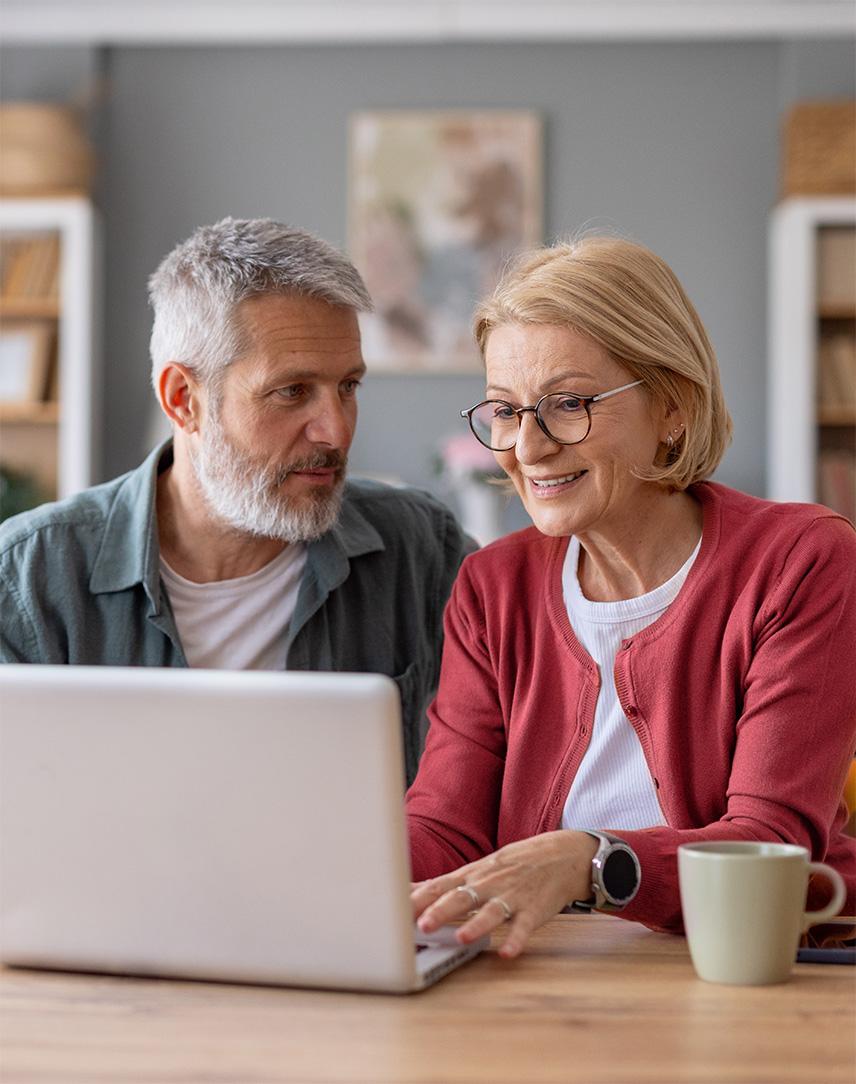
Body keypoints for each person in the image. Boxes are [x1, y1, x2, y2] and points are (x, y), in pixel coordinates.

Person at [407, 235, 856, 955]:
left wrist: (588, 860)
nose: (528, 447)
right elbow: (444, 828)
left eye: (568, 403)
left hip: (752, 969)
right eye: (506, 410)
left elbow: (772, 844)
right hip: (541, 979)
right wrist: (329, 879)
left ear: (673, 406)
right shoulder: (492, 588)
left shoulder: (801, 561)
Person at [0, 217, 473, 783]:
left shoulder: (422, 550)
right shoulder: (27, 581)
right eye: (292, 392)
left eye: (348, 387)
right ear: (184, 401)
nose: (336, 432)